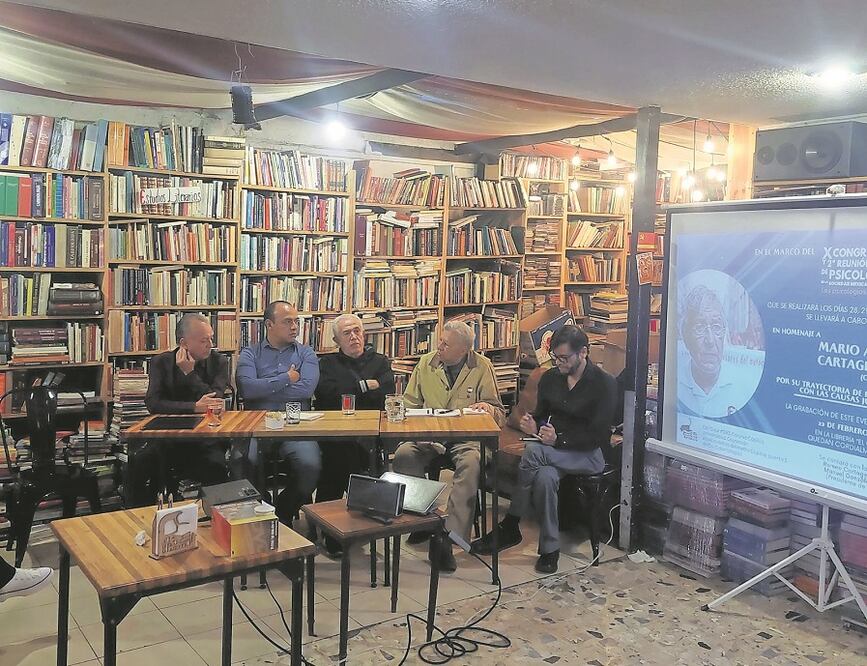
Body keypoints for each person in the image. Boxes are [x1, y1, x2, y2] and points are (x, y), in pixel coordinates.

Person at [472, 325, 617, 574]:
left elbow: (598, 434)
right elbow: (541, 416)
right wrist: (533, 426)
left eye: (564, 358)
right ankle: (550, 550)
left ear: (583, 353)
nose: (558, 363)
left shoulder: (604, 384)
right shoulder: (551, 378)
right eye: (555, 357)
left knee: (534, 453)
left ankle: (510, 523)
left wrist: (557, 440)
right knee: (545, 477)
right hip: (551, 451)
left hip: (588, 454)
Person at [392, 320, 504, 573]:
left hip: (467, 439)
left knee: (471, 463)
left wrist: (487, 408)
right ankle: (424, 521)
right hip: (430, 435)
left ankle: (447, 537)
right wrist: (415, 429)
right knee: (403, 454)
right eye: (440, 341)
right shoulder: (426, 363)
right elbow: (409, 404)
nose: (439, 346)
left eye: (445, 344)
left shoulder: (482, 366)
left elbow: (498, 412)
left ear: (464, 349)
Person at [314, 313, 395, 556]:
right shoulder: (327, 363)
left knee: (358, 458)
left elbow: (387, 391)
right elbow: (326, 395)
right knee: (341, 458)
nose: (354, 337)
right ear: (336, 339)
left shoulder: (379, 361)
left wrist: (350, 393)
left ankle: (356, 523)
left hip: (371, 430)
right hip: (336, 430)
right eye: (347, 333)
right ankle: (331, 527)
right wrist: (366, 386)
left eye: (357, 331)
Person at [235, 301, 321, 524]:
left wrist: (265, 388)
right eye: (287, 321)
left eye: (296, 321)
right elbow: (247, 389)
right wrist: (286, 379)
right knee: (242, 460)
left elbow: (307, 389)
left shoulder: (306, 353)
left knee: (310, 465)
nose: (295, 327)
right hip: (256, 424)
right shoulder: (249, 353)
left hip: (295, 424)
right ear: (269, 324)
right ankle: (258, 515)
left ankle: (281, 512)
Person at [131, 313, 229, 505]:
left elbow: (214, 401)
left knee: (216, 466)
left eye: (211, 338)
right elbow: (154, 404)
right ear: (184, 343)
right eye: (203, 340)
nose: (210, 344)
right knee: (138, 462)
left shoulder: (219, 362)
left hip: (205, 439)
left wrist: (190, 374)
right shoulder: (161, 362)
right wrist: (194, 407)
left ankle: (214, 518)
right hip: (168, 437)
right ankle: (137, 517)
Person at [677, 285, 740, 418]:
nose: (710, 340)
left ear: (724, 334)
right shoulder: (673, 383)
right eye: (699, 327)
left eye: (717, 327)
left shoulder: (742, 385)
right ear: (686, 336)